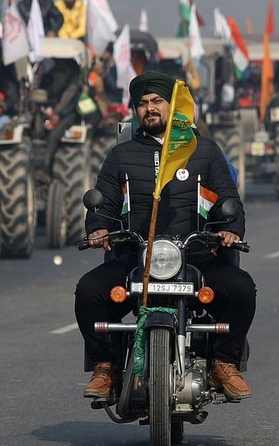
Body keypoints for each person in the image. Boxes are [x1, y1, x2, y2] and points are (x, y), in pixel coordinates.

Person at [75, 71, 256, 401]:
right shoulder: (120, 155)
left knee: (242, 289)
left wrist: (230, 229)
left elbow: (229, 200)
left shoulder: (204, 151)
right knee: (89, 292)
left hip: (195, 255)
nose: (149, 108)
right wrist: (98, 229)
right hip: (134, 255)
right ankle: (106, 366)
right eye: (142, 103)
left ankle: (224, 362)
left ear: (173, 107)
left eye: (157, 101)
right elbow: (104, 203)